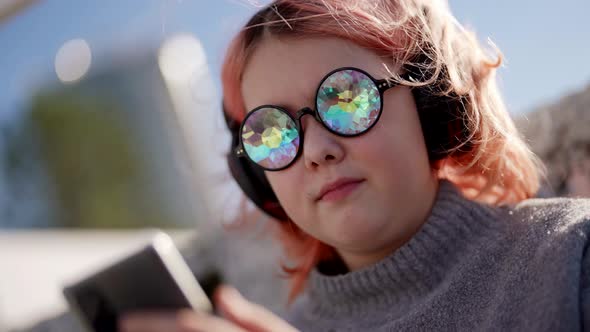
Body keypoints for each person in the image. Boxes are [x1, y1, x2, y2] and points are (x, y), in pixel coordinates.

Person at [119, 0, 590, 331]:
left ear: (431, 105)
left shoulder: (571, 256)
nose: (315, 149)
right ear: (257, 177)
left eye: (347, 97)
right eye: (272, 132)